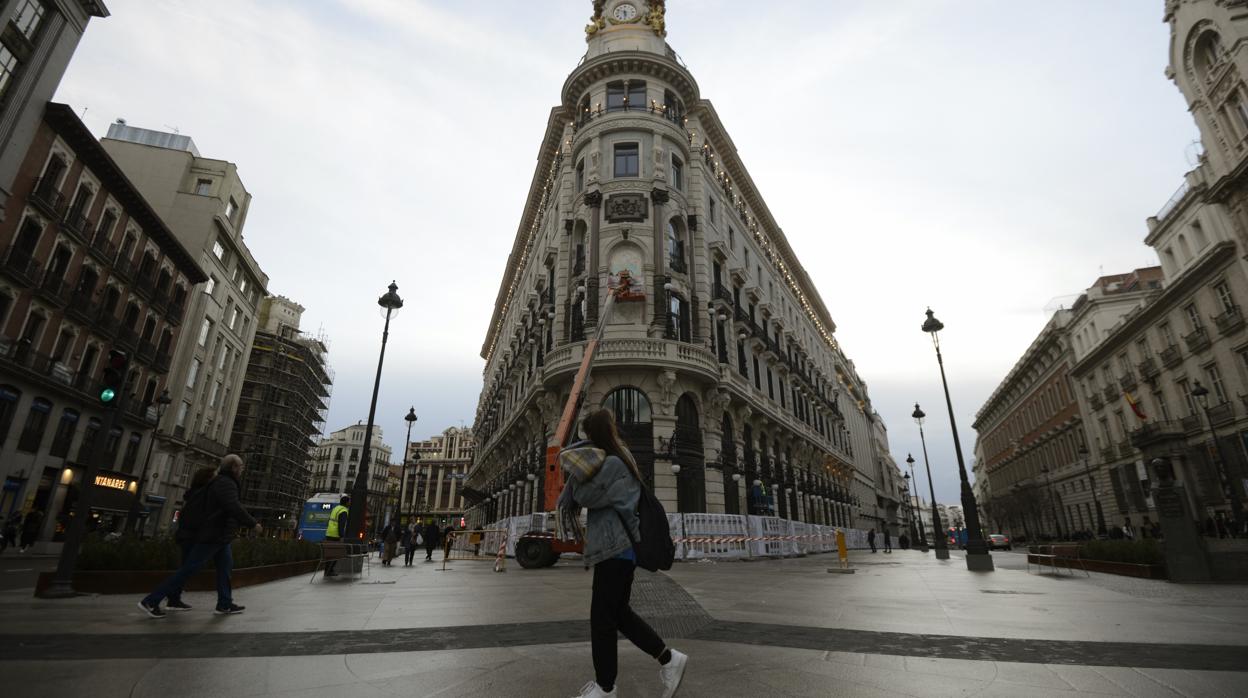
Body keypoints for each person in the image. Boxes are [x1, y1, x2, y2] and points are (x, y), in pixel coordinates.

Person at [559, 408, 687, 698]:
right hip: (616, 549)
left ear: (594, 435)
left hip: (616, 549)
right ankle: (669, 659)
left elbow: (585, 496)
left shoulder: (613, 463)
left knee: (602, 620)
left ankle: (605, 688)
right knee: (619, 616)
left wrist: (577, 471)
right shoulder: (617, 459)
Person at [137, 454, 259, 618]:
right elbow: (232, 506)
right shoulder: (225, 483)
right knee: (190, 568)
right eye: (241, 466)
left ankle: (224, 603)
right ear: (234, 467)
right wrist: (252, 523)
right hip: (214, 534)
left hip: (222, 536)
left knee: (225, 569)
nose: (243, 469)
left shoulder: (222, 482)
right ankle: (151, 601)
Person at [165, 467, 218, 611]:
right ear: (207, 479)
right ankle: (158, 597)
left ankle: (173, 598)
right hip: (192, 536)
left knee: (186, 568)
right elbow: (195, 518)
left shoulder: (195, 494)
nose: (216, 478)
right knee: (188, 569)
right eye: (214, 476)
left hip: (188, 535)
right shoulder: (201, 495)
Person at [323, 495, 350, 578]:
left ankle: (327, 571)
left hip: (329, 533)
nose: (350, 503)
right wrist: (342, 535)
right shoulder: (344, 511)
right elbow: (341, 524)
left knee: (329, 554)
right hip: (336, 535)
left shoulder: (335, 508)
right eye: (349, 501)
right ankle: (330, 571)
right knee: (336, 554)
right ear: (346, 502)